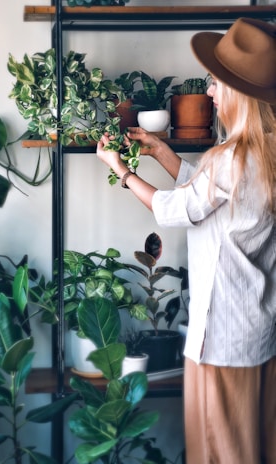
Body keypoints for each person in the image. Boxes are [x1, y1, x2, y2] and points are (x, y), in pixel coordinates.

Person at [96, 17, 276, 464]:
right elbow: (215, 199)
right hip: (255, 334)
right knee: (252, 444)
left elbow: (174, 209)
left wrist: (121, 170)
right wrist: (162, 152)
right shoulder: (264, 154)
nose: (210, 93)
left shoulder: (229, 158)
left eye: (215, 84)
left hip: (219, 341)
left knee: (221, 451)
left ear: (238, 92)